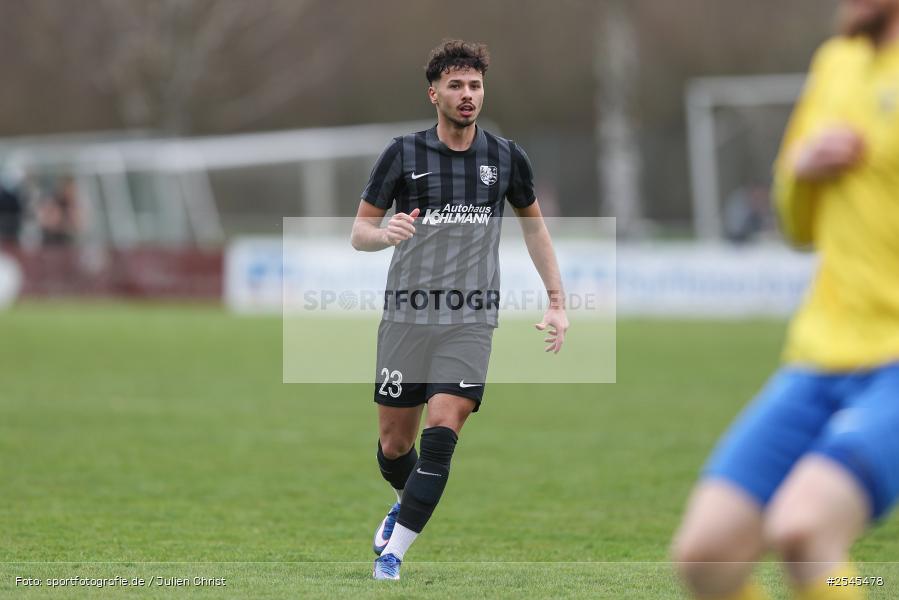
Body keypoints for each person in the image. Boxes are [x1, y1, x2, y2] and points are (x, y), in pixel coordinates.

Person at [672, 1, 899, 599]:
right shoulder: (837, 63)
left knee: (805, 531)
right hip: (821, 356)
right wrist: (804, 166)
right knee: (706, 555)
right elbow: (797, 226)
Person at [350, 39, 569, 580]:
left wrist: (558, 301)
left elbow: (534, 228)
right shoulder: (402, 154)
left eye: (474, 85)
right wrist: (385, 233)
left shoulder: (505, 157)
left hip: (470, 319)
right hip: (406, 315)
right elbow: (359, 232)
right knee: (394, 445)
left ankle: (393, 555)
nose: (467, 94)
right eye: (456, 85)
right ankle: (407, 504)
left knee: (443, 430)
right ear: (435, 94)